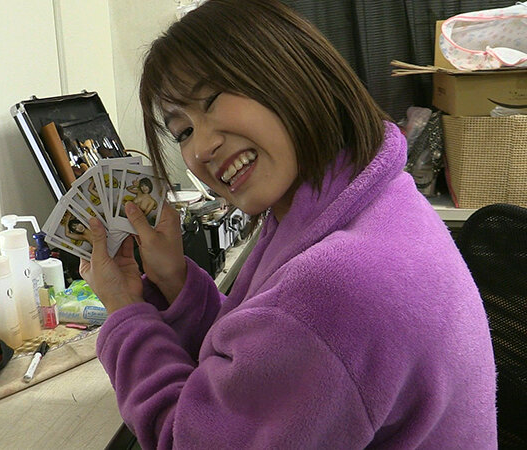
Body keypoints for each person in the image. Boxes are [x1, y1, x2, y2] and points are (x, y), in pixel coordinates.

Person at [78, 0, 497, 448]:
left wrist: (124, 312)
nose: (200, 149)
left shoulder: (335, 285)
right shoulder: (357, 199)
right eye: (183, 132)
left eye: (211, 101)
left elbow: (187, 439)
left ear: (286, 73)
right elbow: (261, 359)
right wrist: (175, 280)